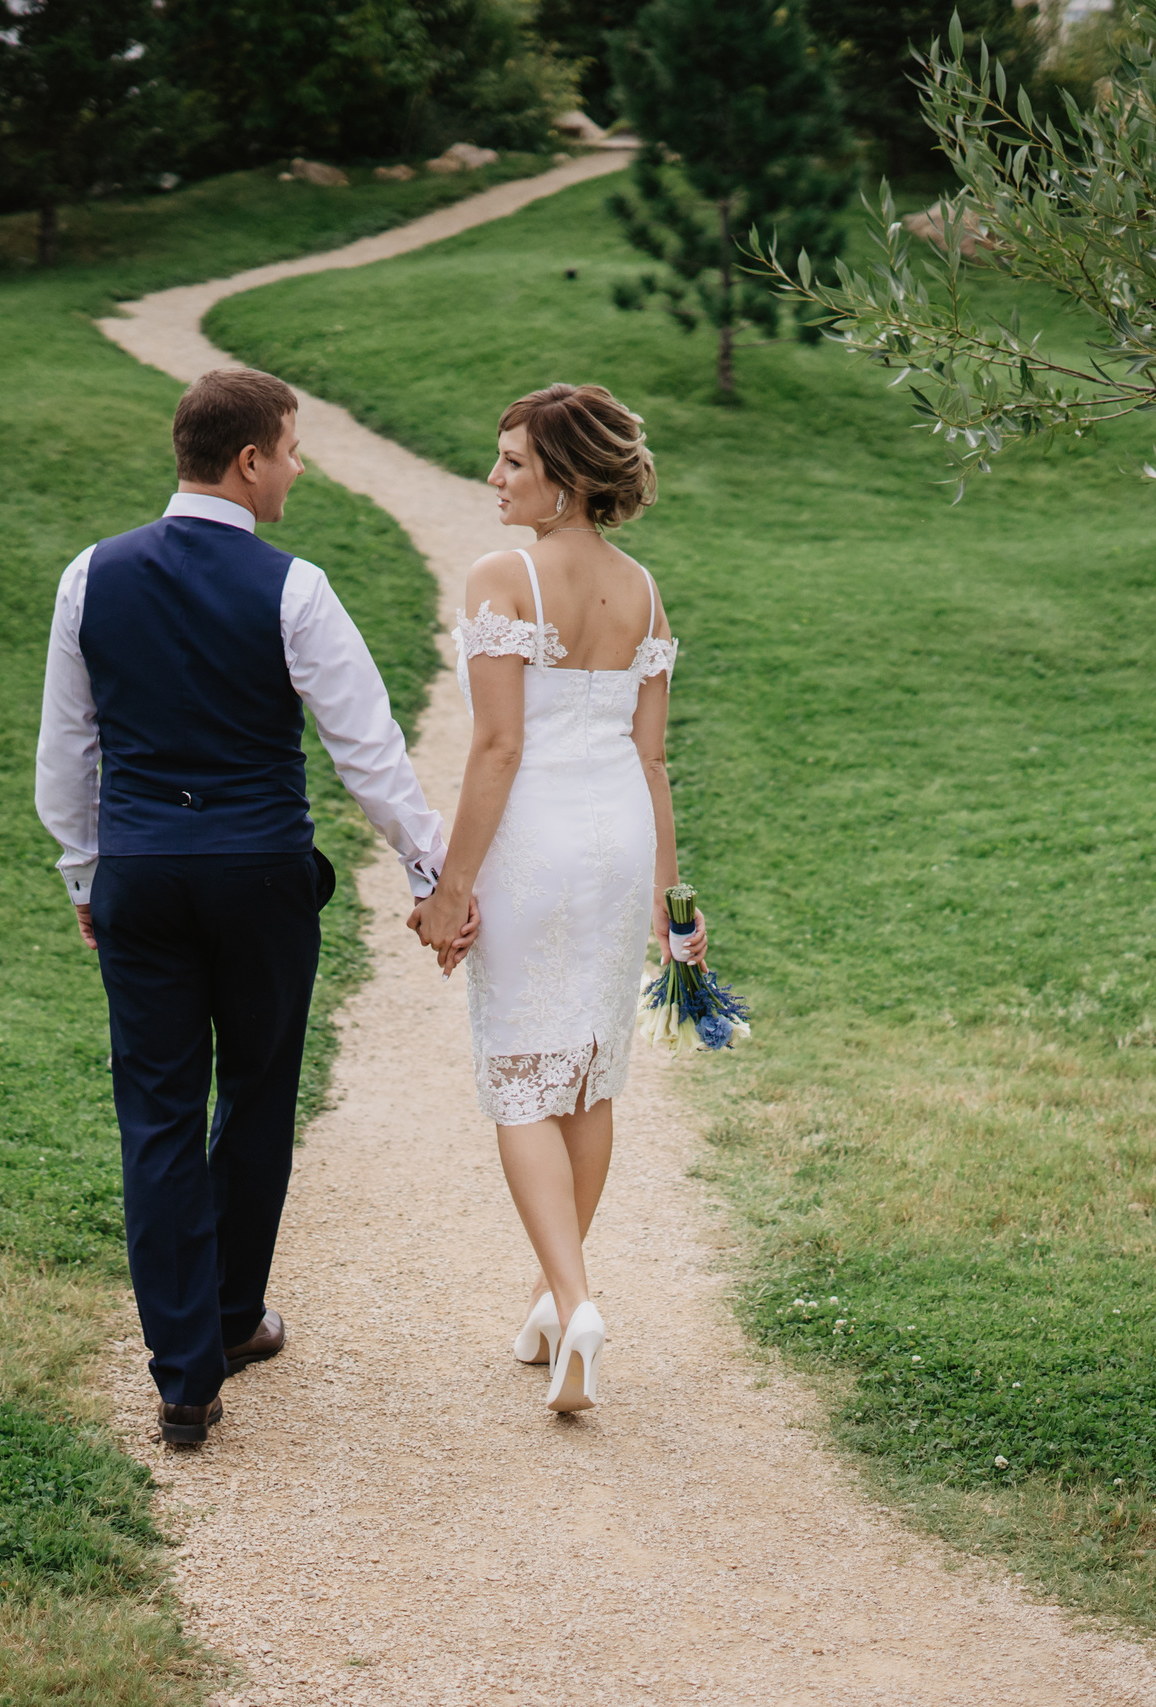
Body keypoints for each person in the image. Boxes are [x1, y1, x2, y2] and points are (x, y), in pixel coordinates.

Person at [35, 369, 462, 1445]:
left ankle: (184, 1381)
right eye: (293, 448)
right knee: (258, 1092)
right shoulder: (294, 588)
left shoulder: (90, 575)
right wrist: (431, 871)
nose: (300, 468)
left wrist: (86, 875)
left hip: (140, 874)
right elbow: (366, 747)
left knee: (158, 1114)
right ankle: (231, 1318)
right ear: (249, 463)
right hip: (259, 875)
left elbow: (66, 752)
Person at [408, 383, 705, 1413]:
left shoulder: (505, 578)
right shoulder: (643, 590)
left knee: (518, 1075)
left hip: (534, 839)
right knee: (586, 1074)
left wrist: (450, 891)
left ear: (567, 478)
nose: (494, 480)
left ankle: (575, 1301)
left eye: (513, 465)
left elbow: (496, 746)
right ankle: (550, 1298)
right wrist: (676, 905)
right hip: (618, 836)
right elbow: (653, 758)